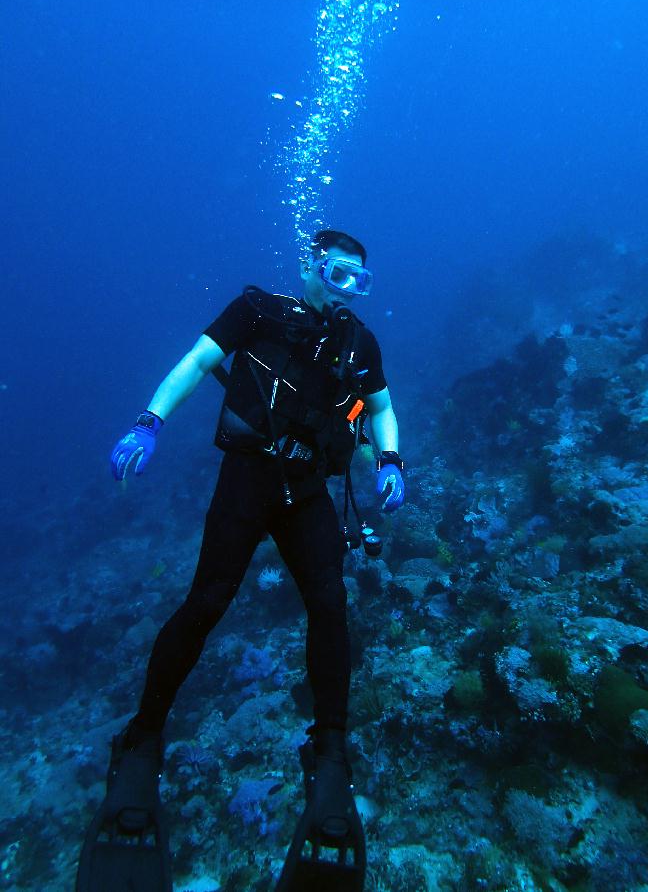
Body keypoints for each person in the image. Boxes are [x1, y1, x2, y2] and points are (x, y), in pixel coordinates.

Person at [76, 230, 405, 892]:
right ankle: (142, 739)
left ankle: (330, 751)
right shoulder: (258, 311)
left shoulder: (359, 343)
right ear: (310, 265)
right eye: (338, 273)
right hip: (249, 480)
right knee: (207, 602)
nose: (346, 289)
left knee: (330, 605)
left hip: (307, 491)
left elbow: (383, 408)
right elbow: (198, 361)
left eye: (359, 279)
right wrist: (149, 421)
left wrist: (391, 459)